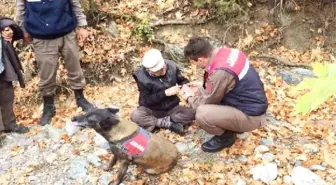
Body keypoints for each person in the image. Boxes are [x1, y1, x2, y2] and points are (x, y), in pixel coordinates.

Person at [181, 37, 268, 152]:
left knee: (202, 113)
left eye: (193, 62)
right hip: (252, 102)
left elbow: (206, 102)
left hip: (251, 116)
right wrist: (200, 86)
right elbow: (224, 84)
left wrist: (189, 97)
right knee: (202, 92)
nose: (194, 66)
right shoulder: (228, 52)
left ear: (200, 59)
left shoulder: (220, 72)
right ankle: (233, 123)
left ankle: (225, 138)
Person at [16, 0, 94, 125]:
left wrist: (83, 26)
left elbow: (75, 3)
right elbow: (21, 10)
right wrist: (23, 31)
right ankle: (49, 106)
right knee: (46, 75)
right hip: (42, 38)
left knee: (75, 68)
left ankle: (80, 98)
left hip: (67, 33)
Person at [130, 48, 195, 135]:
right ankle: (168, 124)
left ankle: (159, 122)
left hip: (172, 107)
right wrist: (165, 93)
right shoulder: (142, 78)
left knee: (193, 113)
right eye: (158, 71)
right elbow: (144, 101)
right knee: (136, 115)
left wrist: (185, 85)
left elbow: (182, 80)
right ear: (149, 70)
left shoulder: (171, 66)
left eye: (163, 67)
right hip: (154, 109)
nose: (162, 71)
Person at [0, 16, 29, 133]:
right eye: (7, 30)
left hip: (2, 70)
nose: (10, 32)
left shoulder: (5, 38)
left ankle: (9, 125)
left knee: (7, 97)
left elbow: (17, 31)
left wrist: (5, 28)